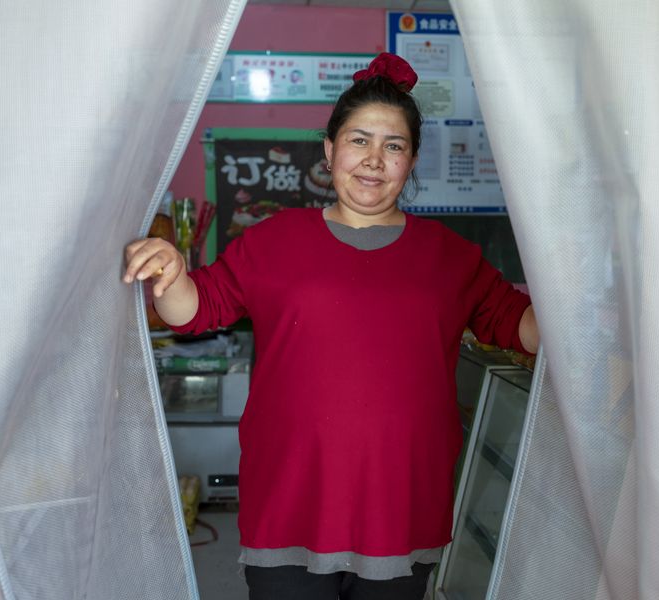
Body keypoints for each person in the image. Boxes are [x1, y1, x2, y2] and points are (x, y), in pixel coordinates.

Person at [124, 52, 538, 600]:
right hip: (290, 506)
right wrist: (173, 273)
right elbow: (198, 307)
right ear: (330, 149)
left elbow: (521, 329)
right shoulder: (275, 241)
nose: (373, 159)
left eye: (393, 146)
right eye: (358, 140)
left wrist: (576, 293)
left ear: (411, 161)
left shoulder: (450, 257)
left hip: (402, 511)